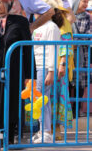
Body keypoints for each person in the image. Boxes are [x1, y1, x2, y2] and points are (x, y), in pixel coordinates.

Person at [0, 0, 33, 144]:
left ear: (9, 2)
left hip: (12, 71)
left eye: (0, 2)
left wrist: (30, 76)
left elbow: (27, 49)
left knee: (10, 104)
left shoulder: (20, 21)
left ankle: (8, 139)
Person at [41, 0, 73, 140]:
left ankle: (57, 128)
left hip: (58, 66)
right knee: (48, 97)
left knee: (57, 96)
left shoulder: (63, 22)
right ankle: (48, 128)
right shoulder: (44, 22)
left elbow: (65, 45)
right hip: (46, 63)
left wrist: (62, 64)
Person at [32, 9, 62, 143]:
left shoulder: (51, 27)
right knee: (41, 99)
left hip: (44, 66)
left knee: (42, 99)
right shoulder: (37, 26)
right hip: (37, 65)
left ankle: (46, 132)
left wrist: (51, 71)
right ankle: (43, 130)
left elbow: (52, 49)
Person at [69, 0, 91, 117]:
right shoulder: (67, 16)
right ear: (77, 1)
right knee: (68, 82)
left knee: (80, 83)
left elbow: (89, 35)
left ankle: (76, 110)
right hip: (68, 54)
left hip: (83, 55)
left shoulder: (87, 17)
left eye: (87, 2)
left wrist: (76, 41)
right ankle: (67, 110)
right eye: (83, 1)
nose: (85, 4)